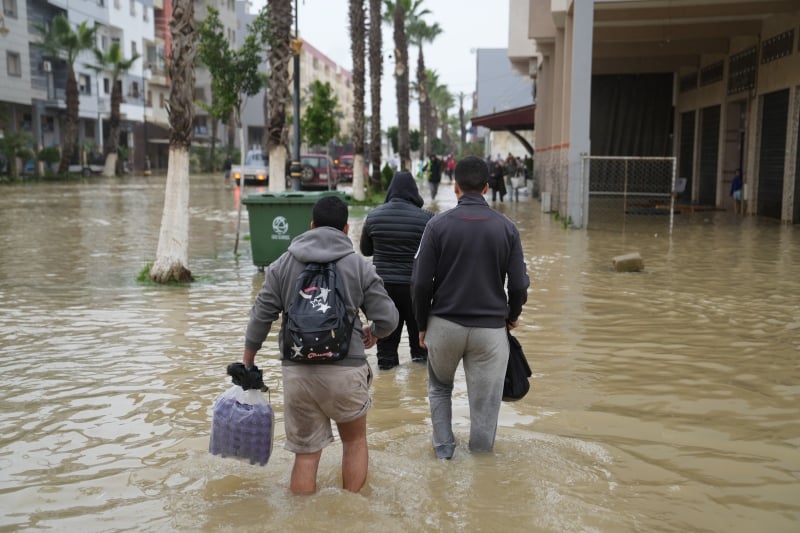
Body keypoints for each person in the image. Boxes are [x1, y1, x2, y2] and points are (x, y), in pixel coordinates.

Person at [243, 196, 399, 494]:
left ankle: (303, 516)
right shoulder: (359, 265)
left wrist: (248, 360)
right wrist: (375, 332)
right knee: (354, 442)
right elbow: (389, 318)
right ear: (346, 229)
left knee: (306, 455)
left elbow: (260, 316)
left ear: (311, 225)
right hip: (346, 370)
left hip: (298, 372)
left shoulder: (282, 264)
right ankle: (351, 511)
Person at [411, 156, 530, 460]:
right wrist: (512, 316)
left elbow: (421, 283)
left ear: (456, 186)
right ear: (487, 187)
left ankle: (444, 455)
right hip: (490, 331)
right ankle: (482, 463)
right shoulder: (507, 228)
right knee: (485, 402)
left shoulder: (436, 226)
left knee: (440, 388)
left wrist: (422, 325)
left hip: (444, 325)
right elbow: (519, 284)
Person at [360, 171, 434, 370]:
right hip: (415, 290)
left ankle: (385, 382)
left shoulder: (373, 216)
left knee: (385, 349)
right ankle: (419, 385)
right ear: (414, 192)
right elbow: (434, 256)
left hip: (383, 290)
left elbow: (365, 250)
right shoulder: (427, 219)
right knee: (421, 347)